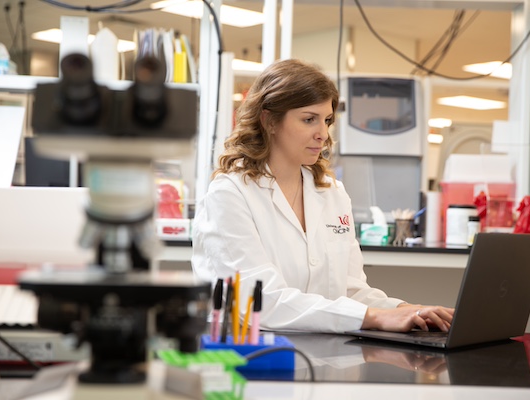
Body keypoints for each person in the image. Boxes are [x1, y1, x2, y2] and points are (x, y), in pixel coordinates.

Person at [191, 58, 454, 334]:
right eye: (309, 119)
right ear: (269, 120)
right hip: (253, 357)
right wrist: (375, 317)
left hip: (325, 352)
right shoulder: (230, 195)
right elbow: (262, 301)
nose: (322, 134)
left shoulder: (331, 192)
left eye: (326, 120)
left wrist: (407, 310)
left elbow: (350, 291)